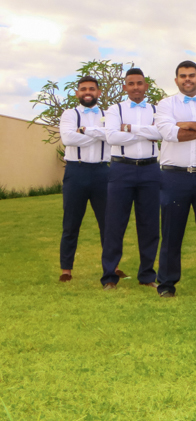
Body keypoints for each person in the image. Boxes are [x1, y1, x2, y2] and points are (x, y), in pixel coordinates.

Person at [154, 61, 196, 298]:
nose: (187, 79)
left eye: (191, 75)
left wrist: (185, 125)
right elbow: (169, 133)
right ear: (176, 79)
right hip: (173, 176)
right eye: (182, 76)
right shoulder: (165, 104)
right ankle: (166, 285)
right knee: (171, 233)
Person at [101, 68, 162, 289]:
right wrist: (146, 132)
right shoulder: (115, 109)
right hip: (122, 169)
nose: (136, 87)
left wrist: (130, 129)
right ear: (125, 87)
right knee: (115, 224)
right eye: (131, 83)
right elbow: (112, 136)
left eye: (139, 83)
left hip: (150, 170)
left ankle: (147, 276)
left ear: (146, 86)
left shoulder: (157, 109)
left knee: (150, 225)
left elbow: (161, 134)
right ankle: (109, 276)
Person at [57, 76, 109, 282]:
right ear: (77, 93)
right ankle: (66, 269)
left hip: (102, 172)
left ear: (99, 92)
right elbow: (68, 138)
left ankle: (111, 268)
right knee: (71, 223)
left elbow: (112, 136)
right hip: (75, 171)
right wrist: (98, 135)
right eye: (83, 89)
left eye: (92, 89)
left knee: (107, 223)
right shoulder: (69, 113)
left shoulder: (108, 114)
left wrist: (84, 133)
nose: (88, 92)